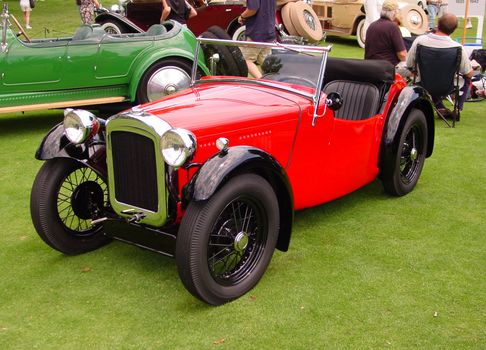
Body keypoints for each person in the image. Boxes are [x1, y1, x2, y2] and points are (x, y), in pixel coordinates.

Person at [406, 13, 474, 115]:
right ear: (454, 29)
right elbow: (468, 73)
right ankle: (457, 108)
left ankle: (439, 106)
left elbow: (409, 64)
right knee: (466, 77)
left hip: (423, 83)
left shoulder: (420, 41)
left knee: (431, 73)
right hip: (448, 86)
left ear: (438, 23)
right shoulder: (458, 48)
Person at [238, 0, 276, 78]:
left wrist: (242, 16)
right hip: (269, 30)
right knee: (266, 63)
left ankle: (264, 82)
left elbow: (253, 9)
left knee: (247, 61)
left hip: (257, 32)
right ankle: (274, 83)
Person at [364, 0, 407, 67]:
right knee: (413, 66)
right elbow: (402, 55)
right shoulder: (393, 27)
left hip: (370, 66)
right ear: (395, 12)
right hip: (387, 68)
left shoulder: (371, 26)